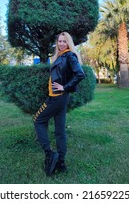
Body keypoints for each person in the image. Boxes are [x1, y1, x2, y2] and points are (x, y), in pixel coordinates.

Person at [33, 32, 85, 176]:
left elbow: (80, 74)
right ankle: (61, 163)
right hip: (61, 98)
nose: (61, 44)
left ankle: (50, 154)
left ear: (69, 43)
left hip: (57, 97)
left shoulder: (69, 56)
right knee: (60, 131)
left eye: (64, 41)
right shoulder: (61, 56)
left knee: (38, 120)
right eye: (59, 41)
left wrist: (65, 87)